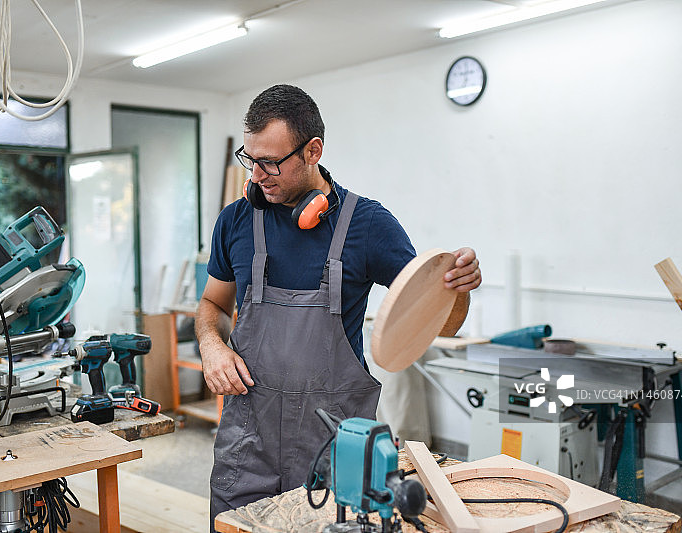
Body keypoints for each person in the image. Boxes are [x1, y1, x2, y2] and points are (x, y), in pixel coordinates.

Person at [195, 84, 481, 530]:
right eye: (250, 160)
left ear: (313, 151)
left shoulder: (367, 225)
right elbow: (212, 303)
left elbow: (440, 326)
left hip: (332, 451)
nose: (256, 175)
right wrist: (211, 344)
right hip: (247, 446)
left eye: (270, 162)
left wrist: (457, 287)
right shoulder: (234, 220)